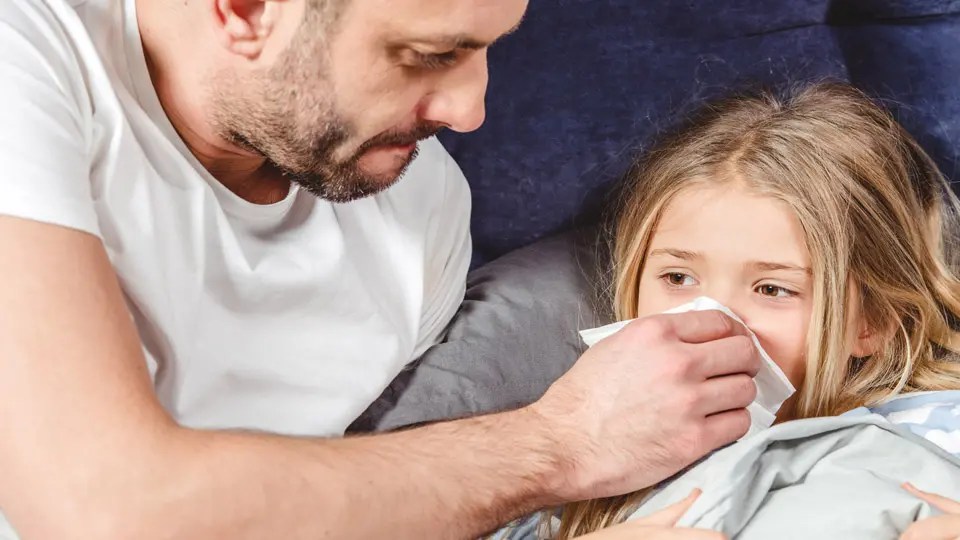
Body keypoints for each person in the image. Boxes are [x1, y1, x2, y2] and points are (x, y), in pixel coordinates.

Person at [0, 0, 764, 537]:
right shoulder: (26, 63)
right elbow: (107, 509)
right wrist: (560, 444)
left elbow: (360, 505)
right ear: (245, 9)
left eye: (489, 46)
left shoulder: (420, 205)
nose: (470, 111)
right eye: (431, 56)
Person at [498, 82, 960, 539]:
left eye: (773, 289)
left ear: (872, 323)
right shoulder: (560, 483)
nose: (710, 321)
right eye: (678, 279)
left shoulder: (933, 434)